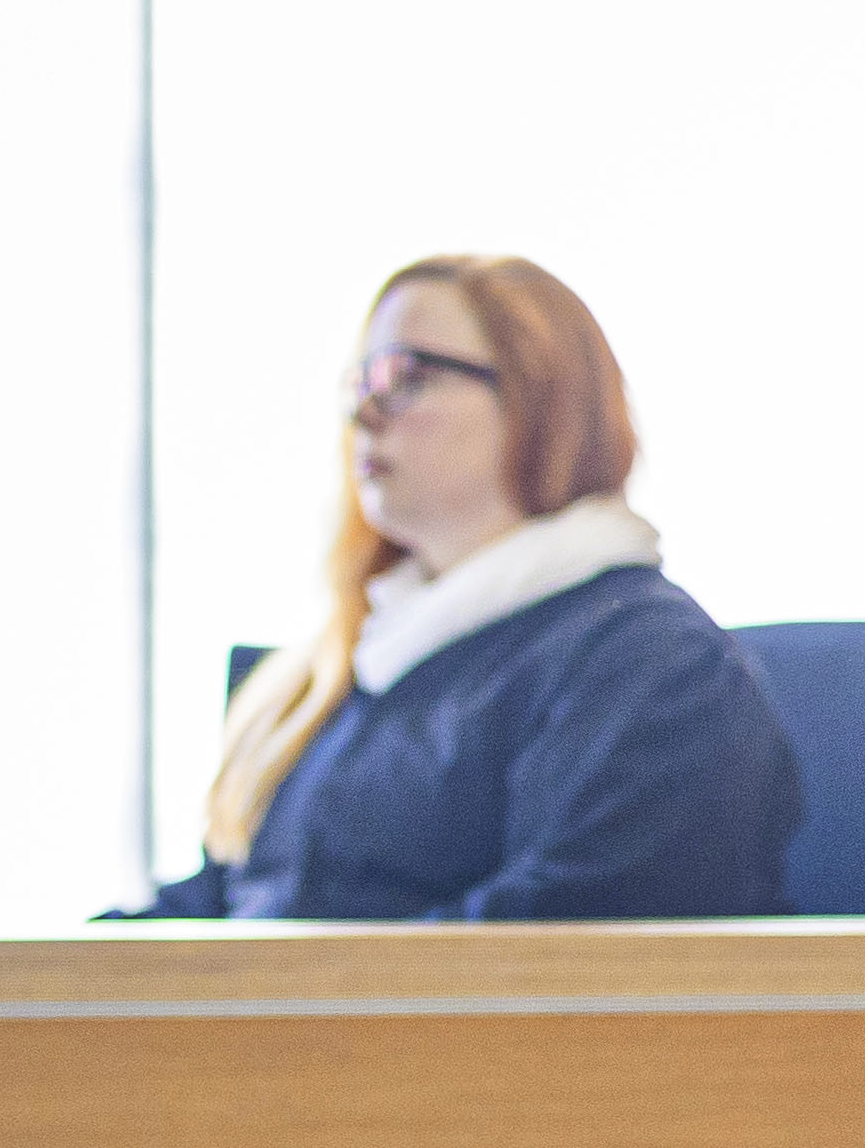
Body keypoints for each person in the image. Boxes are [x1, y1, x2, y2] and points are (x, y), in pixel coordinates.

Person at [126, 255, 799, 920]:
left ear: (542, 399)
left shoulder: (653, 666)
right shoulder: (346, 669)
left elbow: (546, 951)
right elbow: (217, 908)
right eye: (359, 382)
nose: (365, 413)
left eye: (405, 376)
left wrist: (261, 1011)